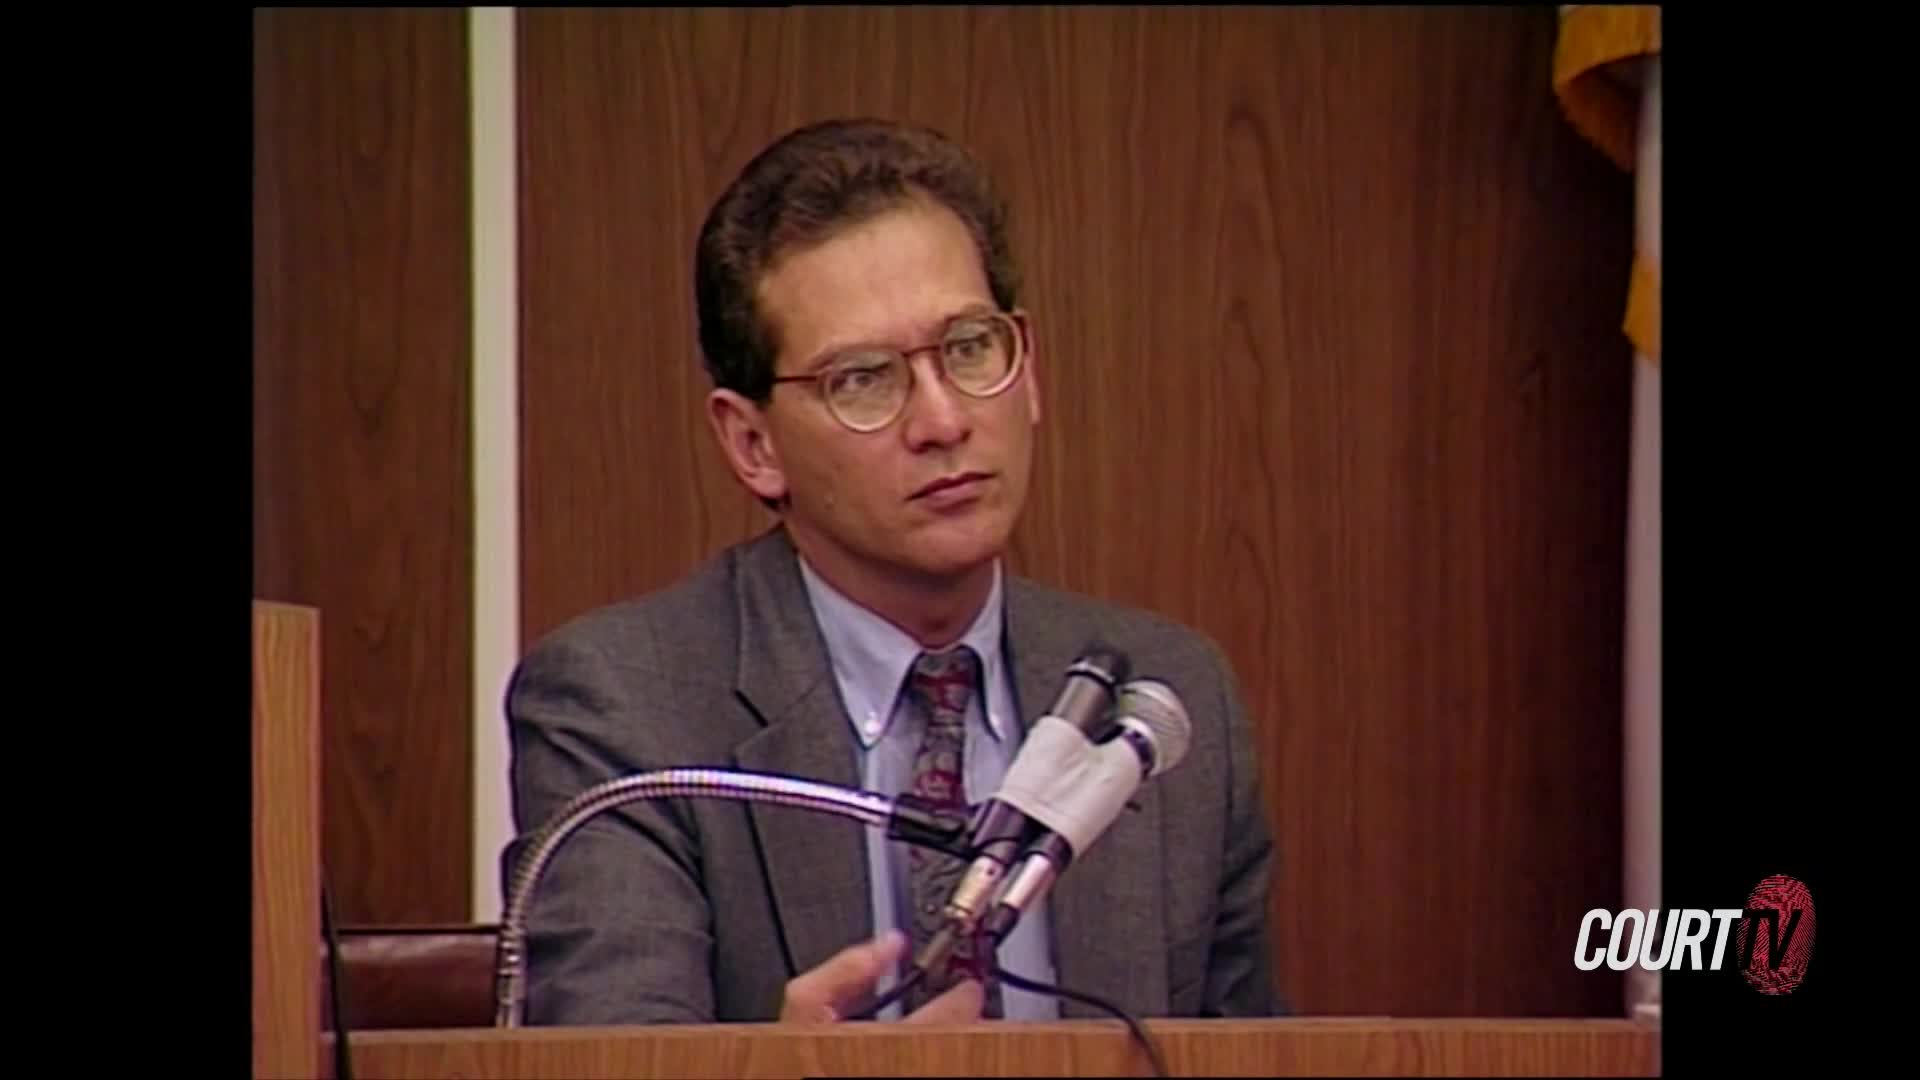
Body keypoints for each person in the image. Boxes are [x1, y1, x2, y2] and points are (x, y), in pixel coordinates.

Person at [500, 117, 1282, 1026]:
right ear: (753, 446)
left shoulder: (1168, 707)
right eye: (864, 379)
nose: (944, 419)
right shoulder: (623, 711)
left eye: (968, 349)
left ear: (1027, 371)